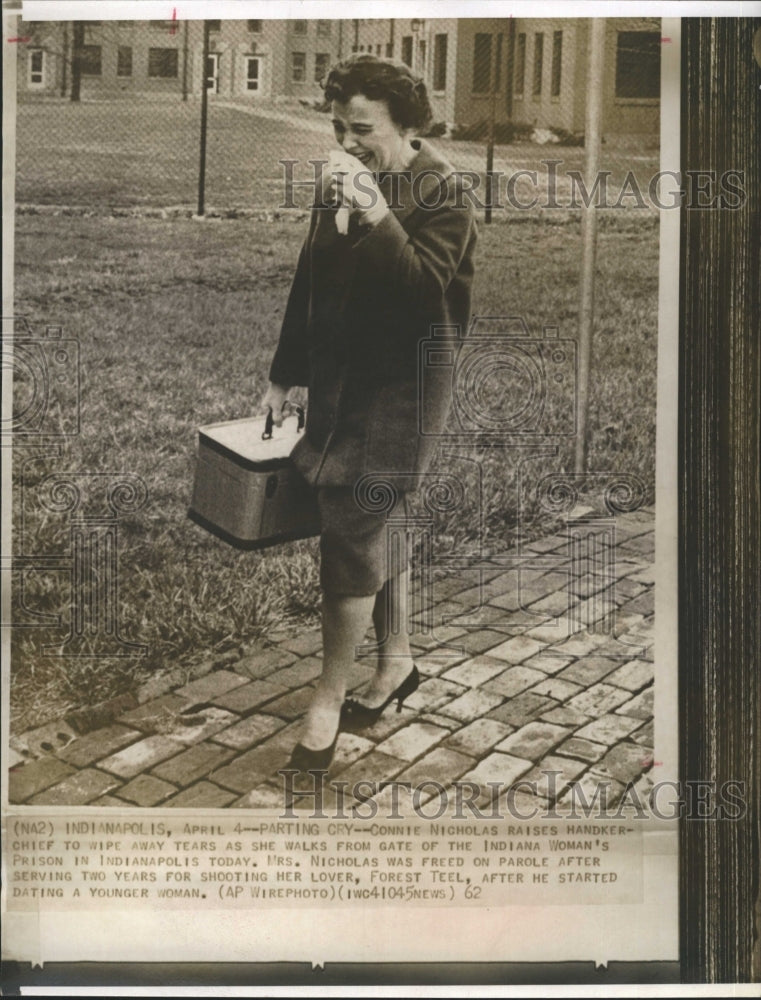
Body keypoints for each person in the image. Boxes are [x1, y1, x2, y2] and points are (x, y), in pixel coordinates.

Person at [262, 55, 477, 777]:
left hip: (400, 393)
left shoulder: (443, 193)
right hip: (339, 384)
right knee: (373, 519)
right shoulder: (343, 180)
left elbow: (422, 289)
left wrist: (376, 209)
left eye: (362, 130)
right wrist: (283, 375)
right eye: (337, 128)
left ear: (406, 125)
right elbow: (309, 275)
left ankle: (327, 698)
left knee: (353, 528)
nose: (348, 142)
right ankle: (395, 665)